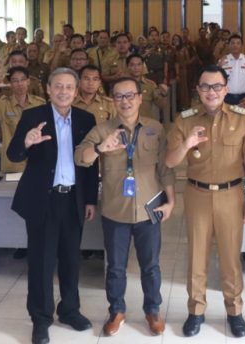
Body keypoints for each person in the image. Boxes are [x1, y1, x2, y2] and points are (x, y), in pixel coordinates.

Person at [75, 77, 175, 336]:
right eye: (119, 96)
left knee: (151, 265)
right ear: (112, 99)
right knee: (116, 267)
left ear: (141, 98)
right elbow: (81, 158)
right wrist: (99, 148)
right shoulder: (103, 130)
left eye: (131, 95)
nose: (126, 101)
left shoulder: (156, 128)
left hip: (150, 208)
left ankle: (152, 310)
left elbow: (165, 169)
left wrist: (171, 201)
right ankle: (116, 310)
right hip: (115, 210)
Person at [165, 66, 245, 338]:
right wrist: (187, 143)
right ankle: (196, 311)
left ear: (226, 89)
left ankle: (234, 311)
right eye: (205, 86)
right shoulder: (184, 120)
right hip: (197, 195)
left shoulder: (242, 119)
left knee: (231, 257)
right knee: (197, 256)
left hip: (232, 195)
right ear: (198, 90)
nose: (211, 92)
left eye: (217, 86)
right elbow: (170, 161)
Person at [7, 68, 98, 344]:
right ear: (48, 89)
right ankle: (41, 318)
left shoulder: (86, 119)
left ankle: (69, 310)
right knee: (41, 262)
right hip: (42, 199)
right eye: (58, 86)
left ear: (76, 90)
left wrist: (90, 199)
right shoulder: (33, 117)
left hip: (73, 199)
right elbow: (13, 154)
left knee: (71, 259)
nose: (63, 92)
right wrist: (27, 141)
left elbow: (90, 167)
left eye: (69, 87)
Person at [0, 66, 46, 173]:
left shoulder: (39, 103)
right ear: (10, 84)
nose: (20, 84)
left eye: (23, 80)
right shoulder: (4, 104)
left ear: (28, 81)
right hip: (12, 163)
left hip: (35, 161)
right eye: (15, 81)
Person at [126, 54, 167, 121]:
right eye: (132, 65)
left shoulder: (150, 85)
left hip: (145, 124)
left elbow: (161, 105)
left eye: (139, 64)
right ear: (127, 67)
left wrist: (164, 94)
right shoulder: (120, 86)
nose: (136, 68)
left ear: (143, 66)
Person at [219, 34, 245, 105]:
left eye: (238, 43)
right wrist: (219, 67)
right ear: (229, 45)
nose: (235, 45)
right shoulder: (223, 61)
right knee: (228, 116)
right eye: (232, 43)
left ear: (242, 46)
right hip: (226, 96)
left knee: (243, 115)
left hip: (244, 97)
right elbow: (217, 79)